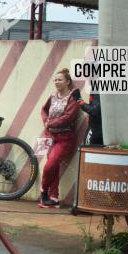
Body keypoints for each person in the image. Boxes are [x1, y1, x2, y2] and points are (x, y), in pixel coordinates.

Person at [39, 68, 81, 208]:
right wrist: (46, 121)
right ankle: (54, 197)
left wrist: (49, 123)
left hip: (65, 138)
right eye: (55, 80)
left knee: (50, 165)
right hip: (49, 135)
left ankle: (43, 192)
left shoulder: (73, 97)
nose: (56, 82)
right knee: (54, 166)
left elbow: (68, 118)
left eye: (60, 79)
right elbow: (43, 110)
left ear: (67, 82)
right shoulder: (52, 96)